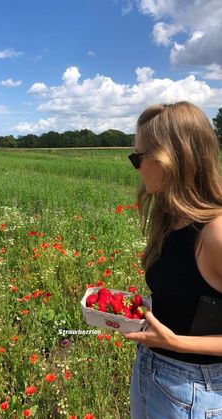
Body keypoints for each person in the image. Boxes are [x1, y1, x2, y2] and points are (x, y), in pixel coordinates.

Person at [122, 101, 222, 418]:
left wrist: (177, 343)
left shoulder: (215, 233)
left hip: (192, 388)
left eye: (138, 157)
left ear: (170, 160)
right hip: (152, 371)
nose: (135, 166)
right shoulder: (171, 220)